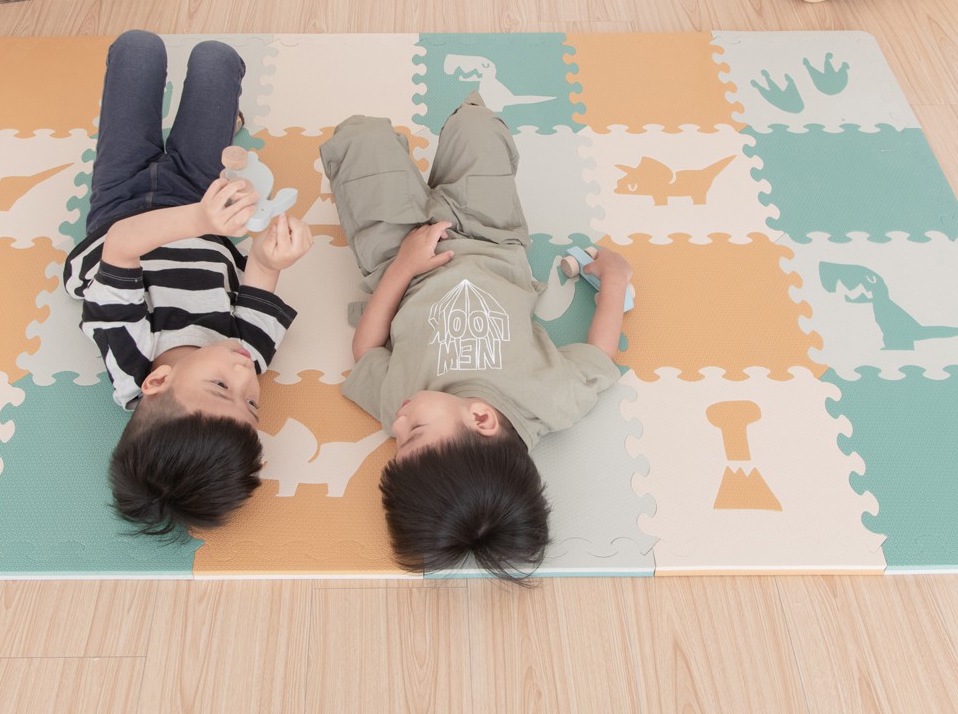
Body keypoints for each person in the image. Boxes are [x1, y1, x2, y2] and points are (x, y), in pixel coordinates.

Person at [320, 91, 631, 579]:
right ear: (481, 418)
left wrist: (402, 268)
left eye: (397, 443)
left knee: (360, 137)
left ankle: (383, 158)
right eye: (413, 434)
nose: (397, 425)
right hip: (492, 238)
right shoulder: (552, 401)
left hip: (397, 254)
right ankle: (457, 138)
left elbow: (366, 349)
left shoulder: (401, 404)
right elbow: (599, 355)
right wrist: (616, 279)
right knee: (477, 127)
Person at [63, 30, 312, 536]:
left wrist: (200, 217)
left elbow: (122, 245)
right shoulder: (246, 356)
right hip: (199, 194)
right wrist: (271, 256)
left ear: (157, 383)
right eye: (252, 404)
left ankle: (179, 123)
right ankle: (219, 122)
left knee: (137, 50)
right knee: (216, 60)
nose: (244, 377)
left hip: (122, 204)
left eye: (222, 388)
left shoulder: (131, 355)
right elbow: (261, 280)